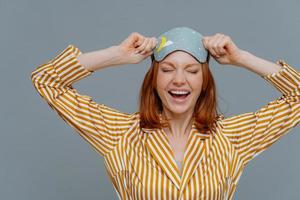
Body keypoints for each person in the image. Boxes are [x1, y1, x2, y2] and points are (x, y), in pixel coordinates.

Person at [30, 26, 300, 200]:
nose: (179, 80)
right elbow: (46, 80)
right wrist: (116, 55)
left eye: (192, 71)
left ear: (204, 81)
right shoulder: (120, 134)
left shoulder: (230, 138)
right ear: (154, 79)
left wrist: (241, 58)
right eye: (168, 69)